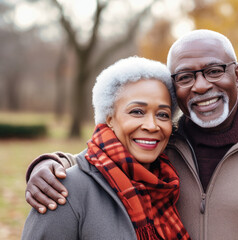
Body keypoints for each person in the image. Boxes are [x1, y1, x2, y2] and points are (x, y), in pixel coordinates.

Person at [24, 30, 238, 239]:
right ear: (175, 87)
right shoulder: (164, 145)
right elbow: (100, 163)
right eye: (185, 77)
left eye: (214, 71)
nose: (201, 86)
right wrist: (48, 164)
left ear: (236, 75)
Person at [22, 56, 191, 240]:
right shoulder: (62, 190)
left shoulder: (169, 183)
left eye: (162, 114)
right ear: (109, 118)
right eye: (137, 112)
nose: (152, 125)